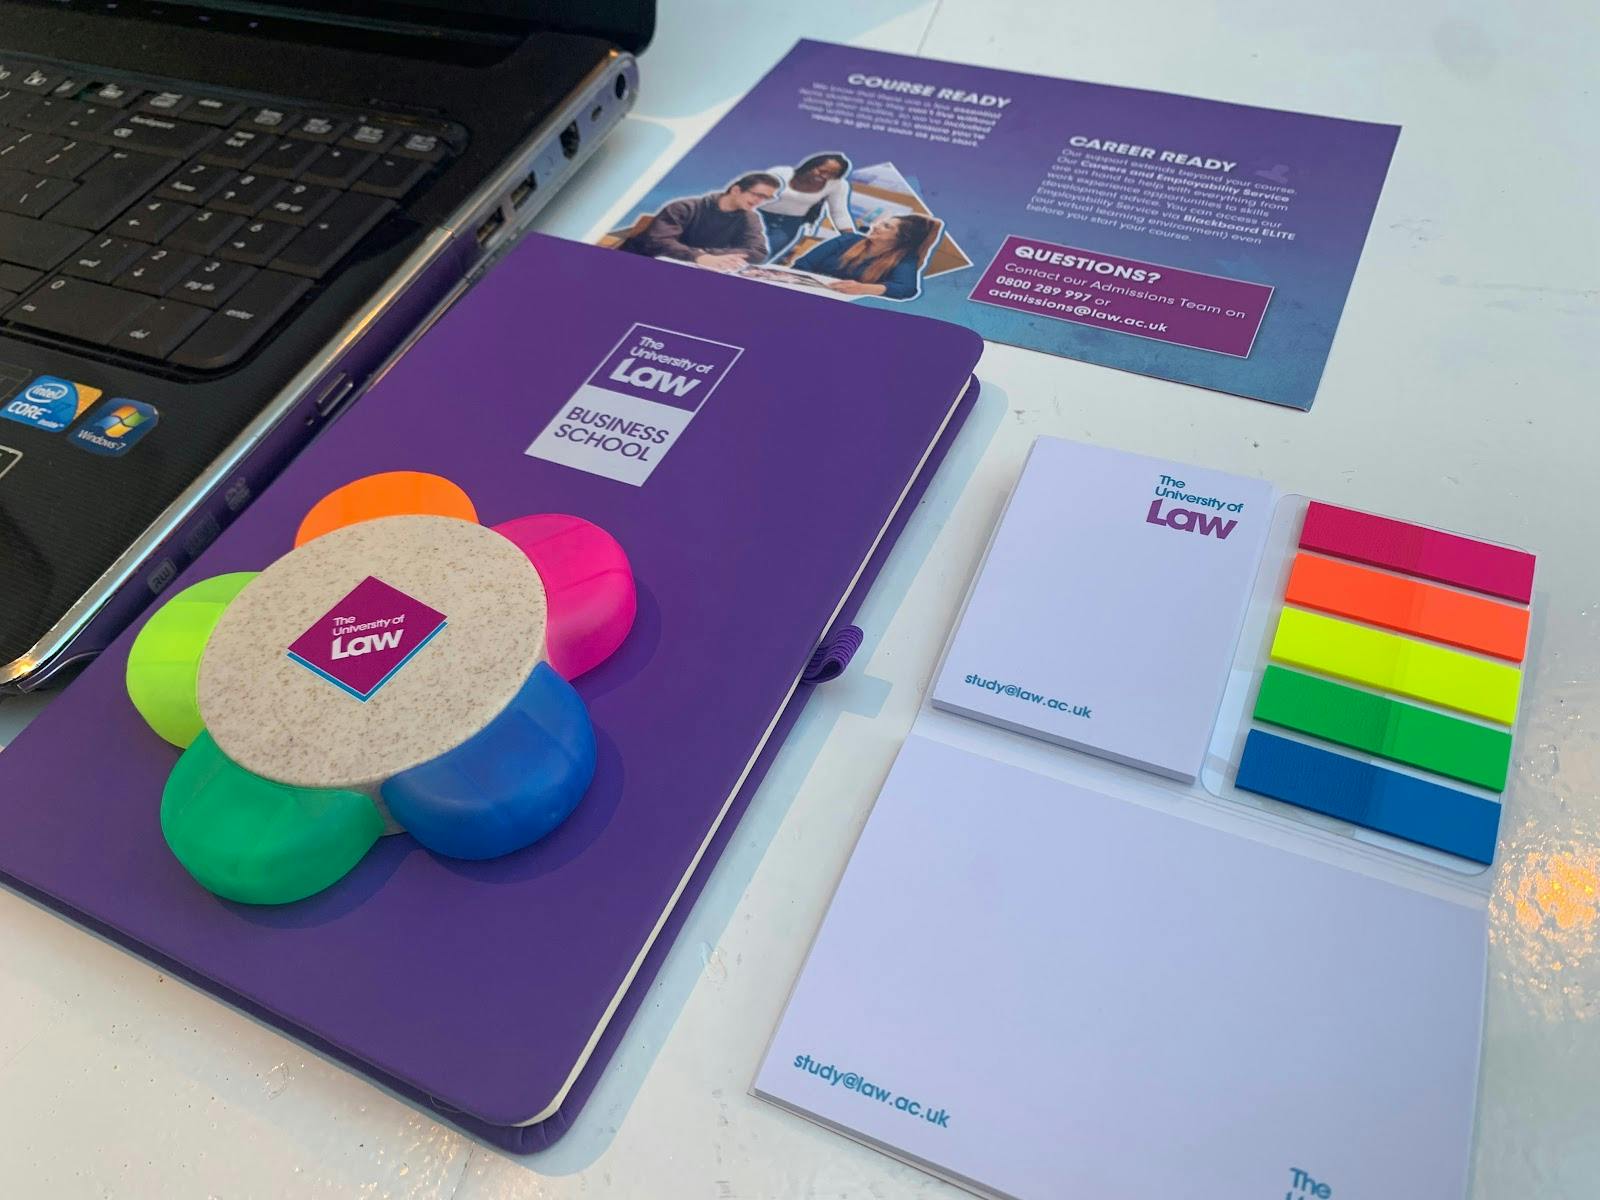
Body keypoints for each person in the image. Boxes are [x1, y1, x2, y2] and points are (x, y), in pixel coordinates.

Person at [617, 172, 781, 269]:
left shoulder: (750, 217)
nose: (760, 201)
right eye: (757, 195)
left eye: (766, 198)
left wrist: (705, 255)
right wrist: (699, 256)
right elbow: (658, 242)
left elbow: (758, 253)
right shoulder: (684, 207)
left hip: (690, 268)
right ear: (736, 190)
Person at [792, 214, 942, 300]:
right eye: (881, 223)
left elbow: (906, 289)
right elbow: (803, 264)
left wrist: (862, 288)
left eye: (886, 226)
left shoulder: (904, 259)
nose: (875, 226)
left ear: (902, 238)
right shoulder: (847, 239)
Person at [757, 153, 855, 262]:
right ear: (810, 166)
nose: (825, 176)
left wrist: (851, 239)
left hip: (786, 226)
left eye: (832, 175)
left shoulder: (837, 185)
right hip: (755, 216)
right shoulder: (781, 173)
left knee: (759, 258)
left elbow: (839, 213)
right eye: (822, 171)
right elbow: (750, 192)